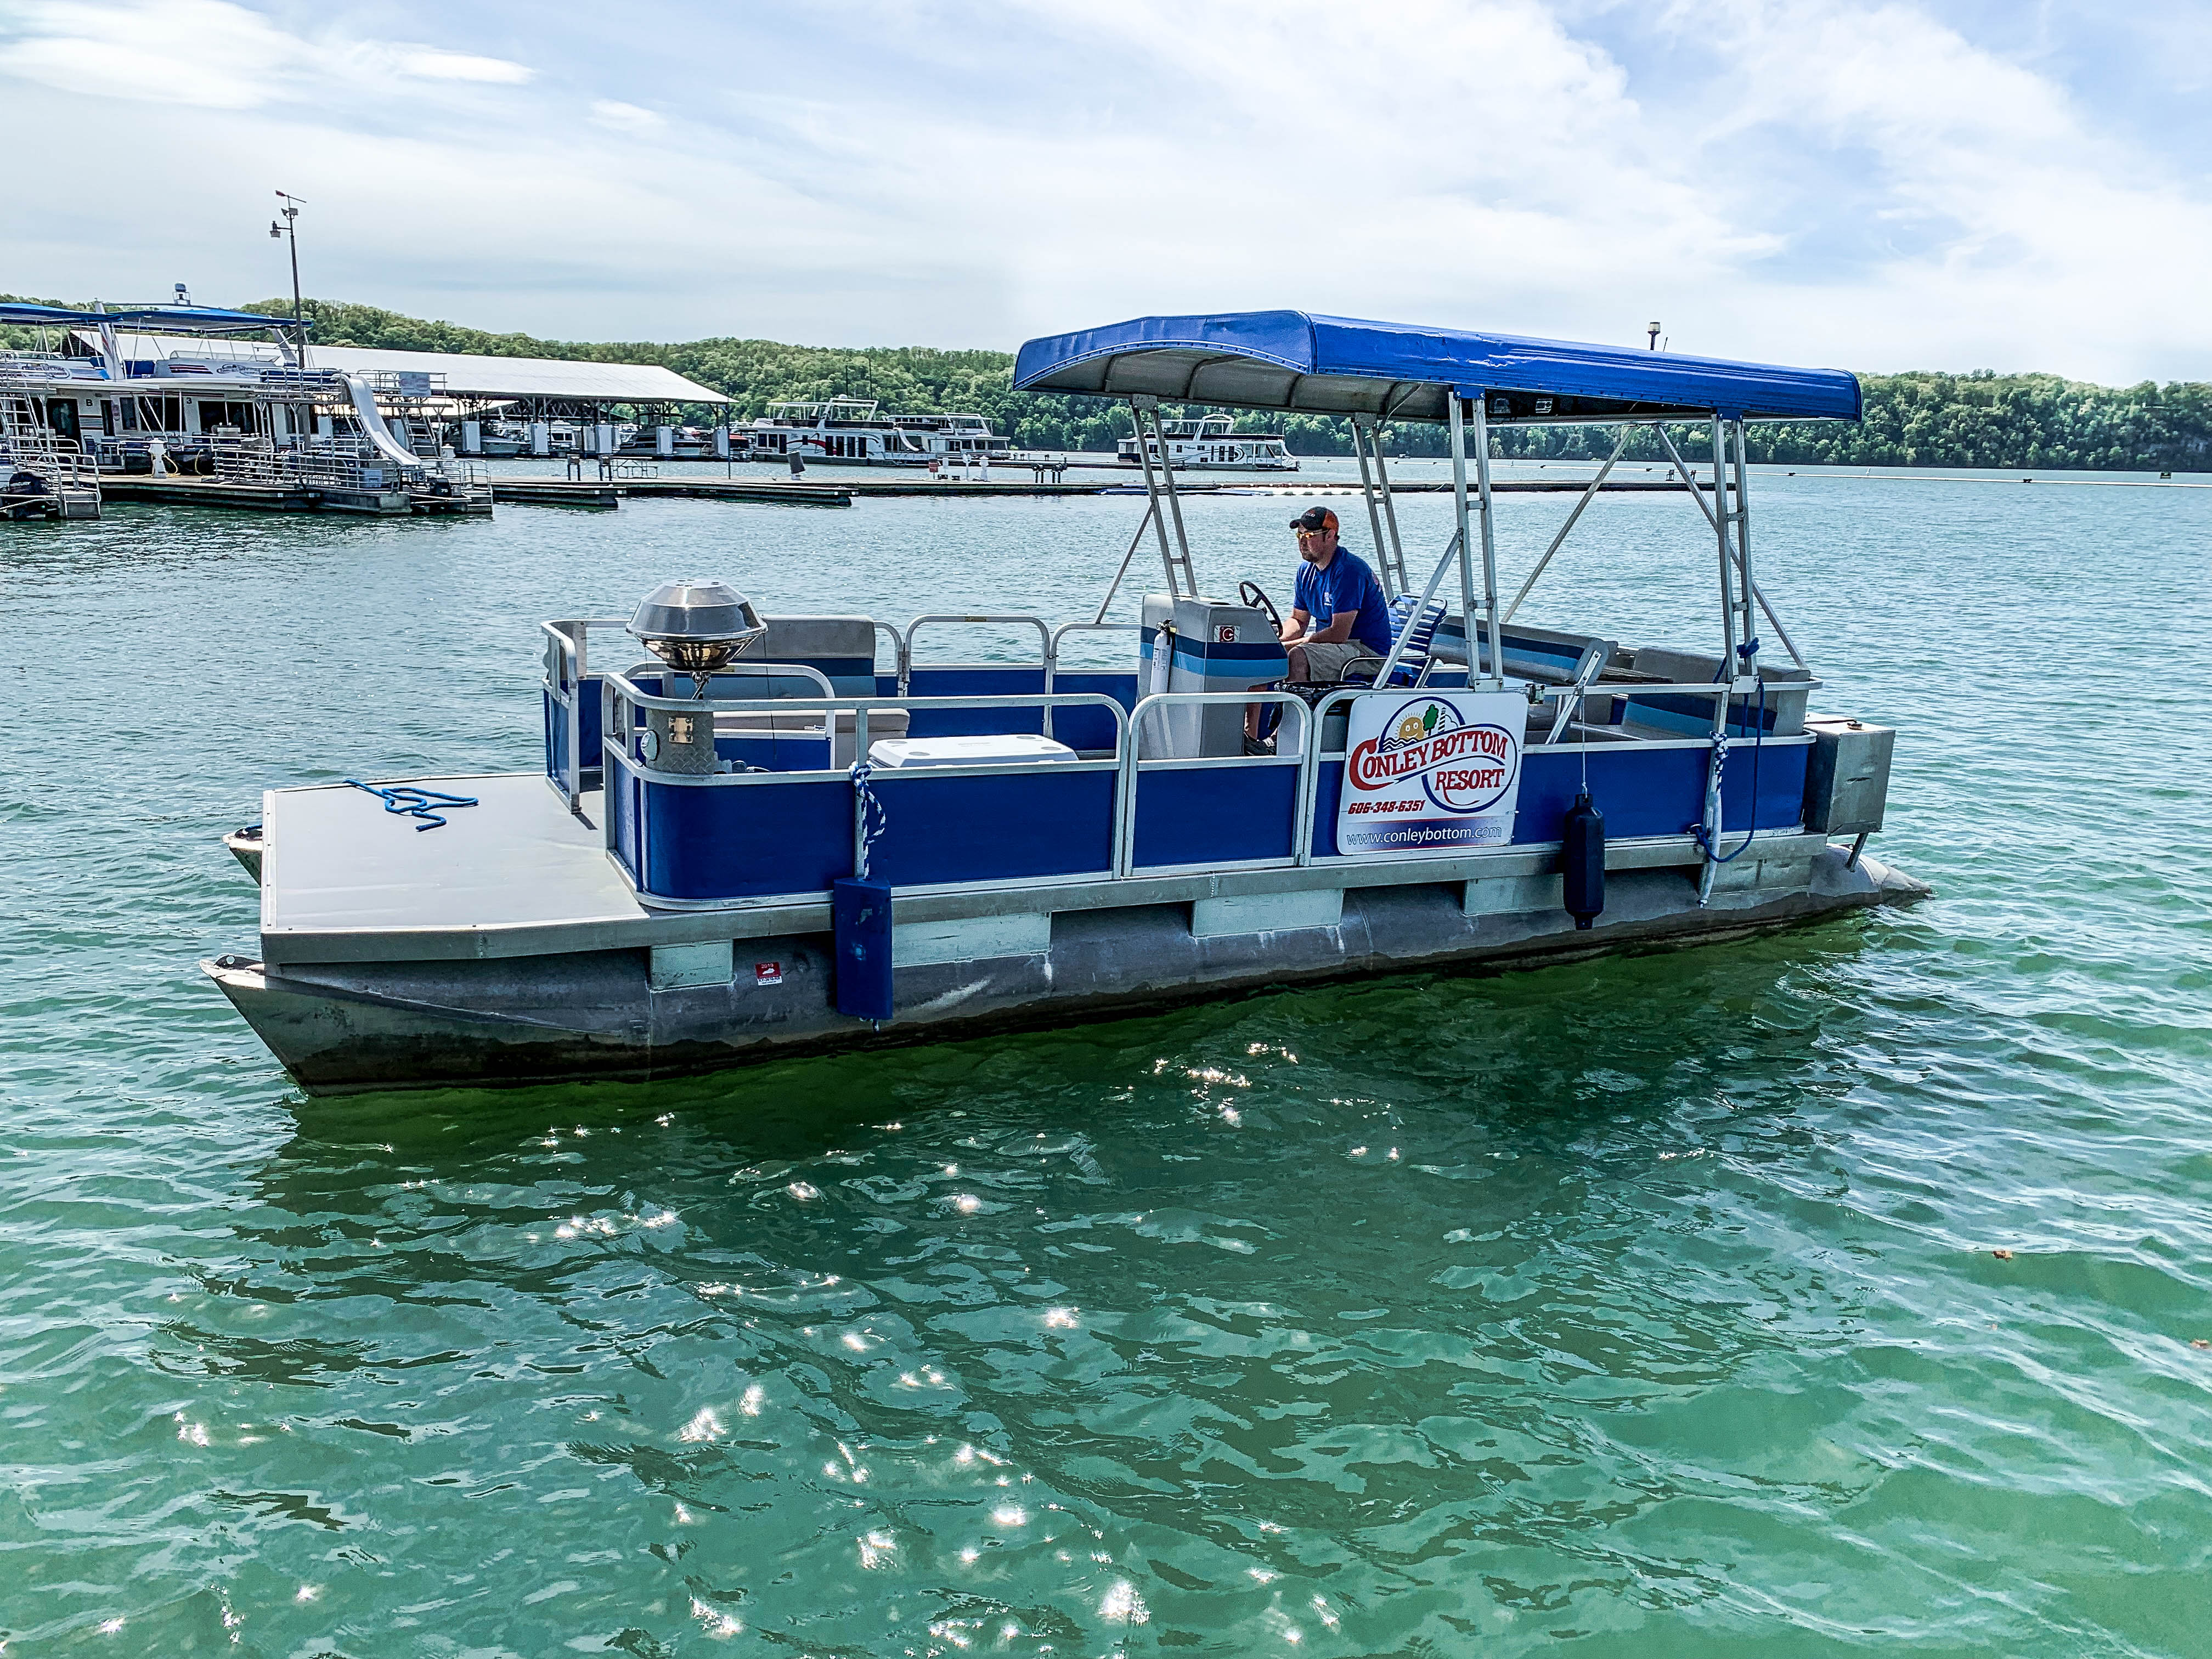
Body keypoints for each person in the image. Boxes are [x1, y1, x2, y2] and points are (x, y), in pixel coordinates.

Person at [1280, 506, 1391, 681]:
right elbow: (1299, 620)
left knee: (1298, 656)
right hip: (1335, 646)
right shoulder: (1305, 571)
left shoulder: (1349, 571)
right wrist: (1277, 641)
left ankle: (1302, 707)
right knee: (1270, 654)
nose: (1302, 541)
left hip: (1366, 652)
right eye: (1300, 534)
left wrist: (1288, 647)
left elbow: (1338, 634)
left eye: (1309, 535)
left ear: (1330, 535)